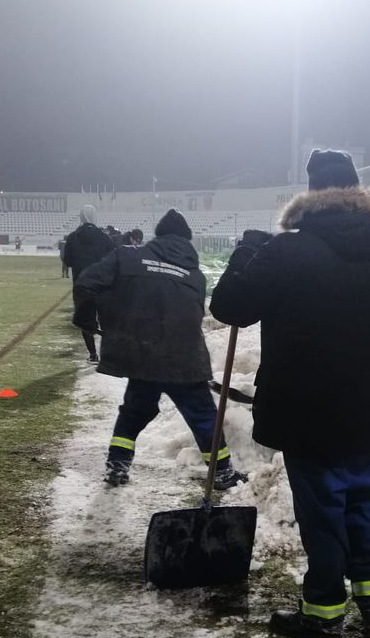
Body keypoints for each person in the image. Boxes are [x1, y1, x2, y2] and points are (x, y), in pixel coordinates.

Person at [211, 150, 370, 638]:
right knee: (362, 500)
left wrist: (246, 253)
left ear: (311, 197)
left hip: (305, 409)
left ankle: (324, 610)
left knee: (322, 509)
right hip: (367, 410)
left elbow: (229, 308)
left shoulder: (287, 252)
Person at [74, 208, 248, 489]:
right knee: (203, 417)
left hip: (143, 356)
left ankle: (117, 464)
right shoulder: (194, 274)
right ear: (186, 240)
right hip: (185, 358)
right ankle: (222, 472)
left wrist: (86, 318)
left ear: (159, 236)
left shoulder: (127, 256)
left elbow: (86, 282)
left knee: (133, 411)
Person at [63, 205, 114, 362]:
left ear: (81, 217)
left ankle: (93, 354)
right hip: (102, 286)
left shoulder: (72, 237)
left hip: (81, 285)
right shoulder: (105, 238)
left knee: (86, 320)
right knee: (106, 320)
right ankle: (107, 354)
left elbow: (68, 261)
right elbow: (113, 261)